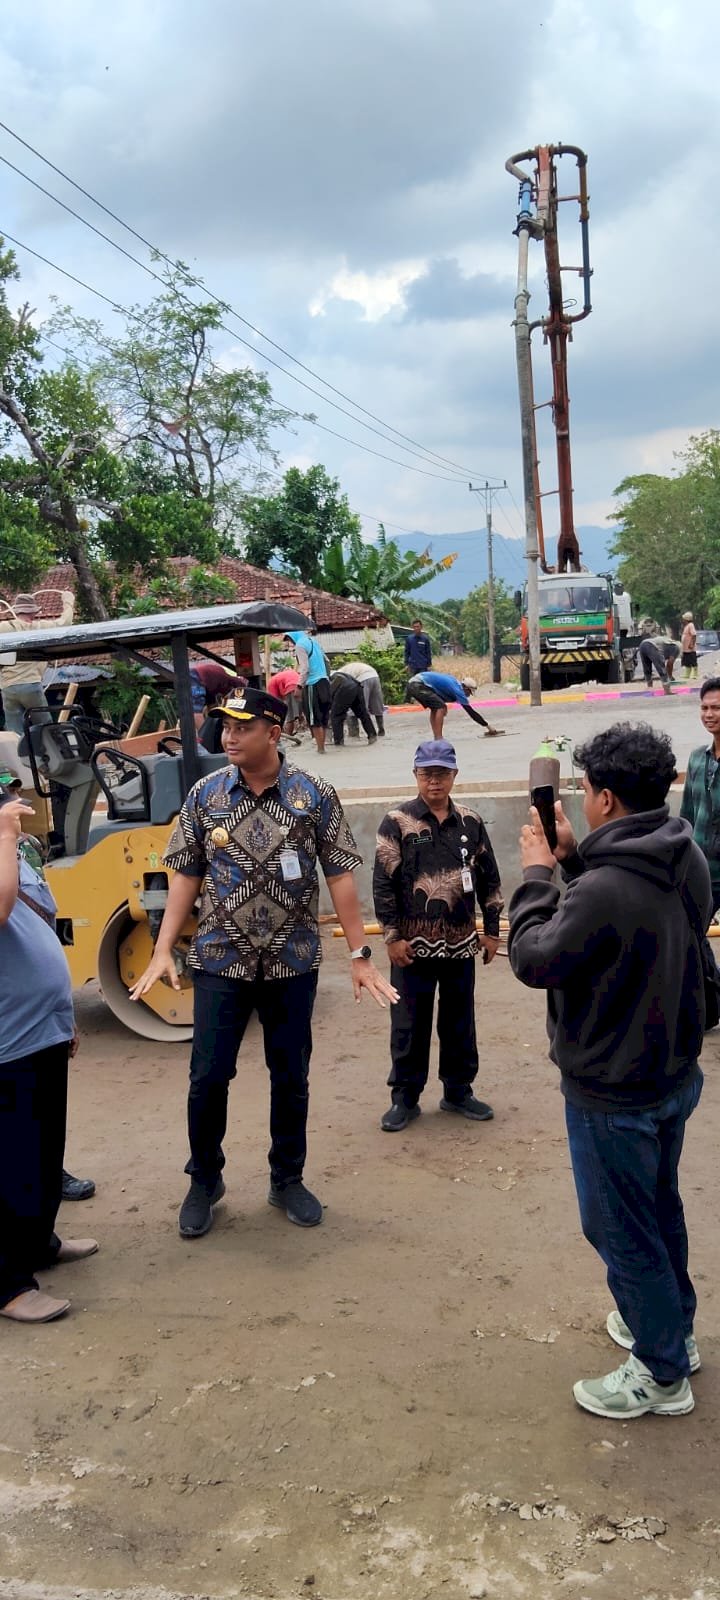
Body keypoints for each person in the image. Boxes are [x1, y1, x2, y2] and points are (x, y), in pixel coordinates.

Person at [129, 686, 398, 1239]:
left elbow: (340, 872)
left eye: (242, 727)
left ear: (273, 733)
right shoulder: (206, 794)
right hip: (220, 961)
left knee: (290, 1076)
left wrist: (359, 953)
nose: (228, 736)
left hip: (291, 962)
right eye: (225, 727)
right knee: (207, 1077)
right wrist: (161, 948)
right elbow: (184, 870)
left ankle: (287, 1178)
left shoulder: (313, 794)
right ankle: (204, 1180)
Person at [508, 722, 710, 1419]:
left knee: (620, 1227)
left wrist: (536, 876)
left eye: (587, 790)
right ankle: (670, 1329)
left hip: (612, 1090)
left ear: (606, 800)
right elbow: (625, 925)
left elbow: (537, 959)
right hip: (672, 1073)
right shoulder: (684, 853)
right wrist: (574, 863)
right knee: (657, 1206)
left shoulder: (603, 889)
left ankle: (659, 1374)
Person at [0, 780, 98, 1325]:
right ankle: (7, 1284)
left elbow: (37, 926)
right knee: (9, 1161)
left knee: (41, 1153)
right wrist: (4, 839)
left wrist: (63, 1016)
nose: (15, 800)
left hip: (40, 1029)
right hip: (6, 1040)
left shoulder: (13, 849)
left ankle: (38, 1244)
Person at [373, 739, 502, 1131]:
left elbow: (489, 878)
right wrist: (392, 937)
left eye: (442, 773)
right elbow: (382, 885)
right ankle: (405, 1098)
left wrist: (492, 931)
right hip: (412, 948)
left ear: (454, 775)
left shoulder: (471, 822)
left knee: (459, 1020)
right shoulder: (396, 822)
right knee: (409, 1023)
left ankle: (458, 1092)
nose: (435, 781)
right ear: (415, 775)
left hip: (462, 944)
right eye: (427, 773)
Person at [0, 590, 76, 739]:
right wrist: (68, 600)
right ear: (33, 612)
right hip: (31, 684)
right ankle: (52, 756)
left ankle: (20, 761)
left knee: (15, 734)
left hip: (8, 688)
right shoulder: (40, 627)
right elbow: (65, 623)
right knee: (46, 727)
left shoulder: (4, 627)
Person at [680, 676, 720, 913]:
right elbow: (687, 817)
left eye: (716, 708)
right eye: (704, 708)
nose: (709, 714)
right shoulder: (697, 758)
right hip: (700, 873)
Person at [406, 669, 498, 738]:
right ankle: (438, 738)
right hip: (418, 684)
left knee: (436, 708)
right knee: (441, 707)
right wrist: (488, 726)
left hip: (413, 684)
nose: (468, 695)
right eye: (469, 693)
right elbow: (471, 712)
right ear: (465, 688)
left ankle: (436, 737)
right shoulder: (458, 690)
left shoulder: (455, 684)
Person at [284, 631, 331, 755]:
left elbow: (305, 668)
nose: (291, 643)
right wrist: (326, 677)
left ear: (293, 637)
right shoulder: (314, 642)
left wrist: (299, 687)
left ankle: (320, 749)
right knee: (324, 716)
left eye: (289, 639)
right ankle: (322, 746)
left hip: (312, 684)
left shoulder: (300, 645)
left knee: (314, 717)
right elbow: (327, 662)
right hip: (324, 682)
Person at [188, 661, 246, 741]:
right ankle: (205, 740)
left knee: (204, 710)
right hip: (195, 676)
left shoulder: (216, 683)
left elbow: (211, 707)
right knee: (196, 711)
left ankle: (207, 737)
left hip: (200, 678)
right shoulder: (227, 682)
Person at [337, 660, 386, 738]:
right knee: (377, 705)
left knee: (357, 707)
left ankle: (354, 734)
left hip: (362, 677)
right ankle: (381, 730)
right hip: (374, 675)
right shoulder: (345, 670)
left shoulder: (337, 676)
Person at [328, 669, 377, 746]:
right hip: (357, 686)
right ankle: (372, 735)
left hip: (345, 688)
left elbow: (329, 696)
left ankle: (338, 741)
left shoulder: (325, 678)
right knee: (362, 713)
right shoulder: (338, 673)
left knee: (336, 716)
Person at [637, 625, 675, 693]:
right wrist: (670, 676)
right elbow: (670, 662)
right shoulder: (675, 647)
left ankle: (649, 687)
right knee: (661, 667)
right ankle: (667, 690)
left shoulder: (664, 640)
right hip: (651, 646)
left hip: (642, 645)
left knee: (647, 668)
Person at [266, 667, 303, 735]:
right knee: (302, 713)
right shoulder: (282, 676)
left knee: (290, 716)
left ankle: (288, 736)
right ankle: (309, 734)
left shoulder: (271, 683)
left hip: (291, 686)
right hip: (301, 685)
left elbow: (274, 703)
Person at [681, 613, 698, 681]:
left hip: (690, 648)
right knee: (687, 661)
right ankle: (687, 673)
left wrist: (692, 644)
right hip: (685, 648)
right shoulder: (686, 626)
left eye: (684, 619)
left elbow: (694, 635)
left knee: (693, 660)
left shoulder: (691, 625)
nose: (683, 620)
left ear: (687, 619)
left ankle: (695, 674)